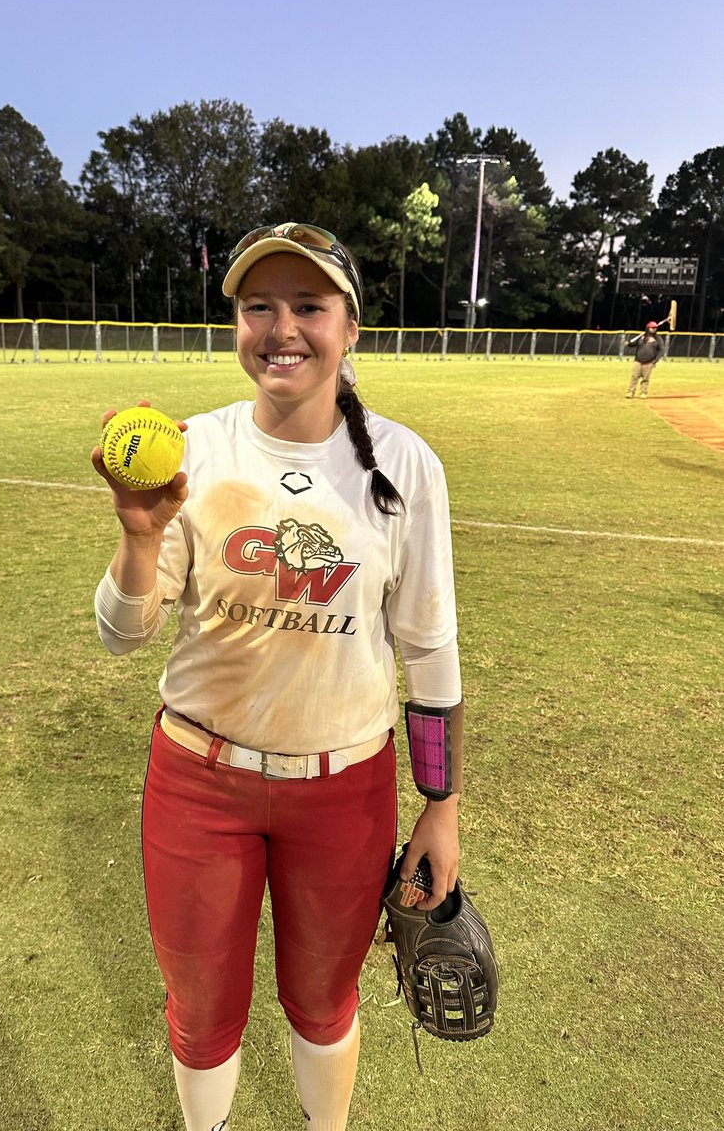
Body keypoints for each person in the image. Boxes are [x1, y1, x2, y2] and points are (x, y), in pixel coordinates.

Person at [92, 222, 465, 1131]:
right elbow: (123, 633)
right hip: (198, 783)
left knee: (324, 1005)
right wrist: (140, 539)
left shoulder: (404, 464)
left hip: (343, 789)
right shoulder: (197, 450)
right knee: (203, 1015)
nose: (281, 327)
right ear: (236, 323)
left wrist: (442, 806)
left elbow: (430, 651)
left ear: (351, 330)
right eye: (258, 306)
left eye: (309, 305)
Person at [624, 321, 664, 398]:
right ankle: (631, 392)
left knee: (645, 379)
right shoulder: (642, 337)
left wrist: (655, 361)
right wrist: (628, 344)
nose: (654, 329)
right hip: (638, 361)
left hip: (649, 362)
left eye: (655, 328)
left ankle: (643, 392)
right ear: (648, 328)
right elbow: (634, 344)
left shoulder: (658, 339)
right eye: (652, 328)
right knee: (634, 377)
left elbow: (661, 350)